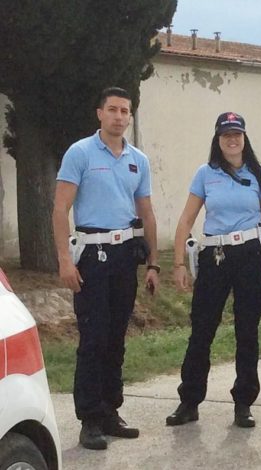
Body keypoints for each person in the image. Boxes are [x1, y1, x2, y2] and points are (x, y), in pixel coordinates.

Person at [52, 86, 160, 450]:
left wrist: (153, 263)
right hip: (91, 258)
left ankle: (111, 411)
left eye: (124, 111)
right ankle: (90, 418)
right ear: (100, 113)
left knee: (116, 338)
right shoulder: (80, 153)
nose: (118, 116)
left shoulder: (138, 159)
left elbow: (145, 211)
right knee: (93, 338)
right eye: (112, 109)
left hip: (124, 255)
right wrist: (65, 260)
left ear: (130, 116)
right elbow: (59, 209)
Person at [165, 112, 261, 429]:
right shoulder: (206, 174)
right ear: (218, 139)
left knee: (247, 331)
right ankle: (189, 401)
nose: (232, 139)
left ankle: (243, 403)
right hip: (214, 256)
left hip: (250, 256)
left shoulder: (260, 174)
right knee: (202, 330)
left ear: (245, 138)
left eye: (237, 134)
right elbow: (186, 220)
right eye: (226, 134)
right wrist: (178, 263)